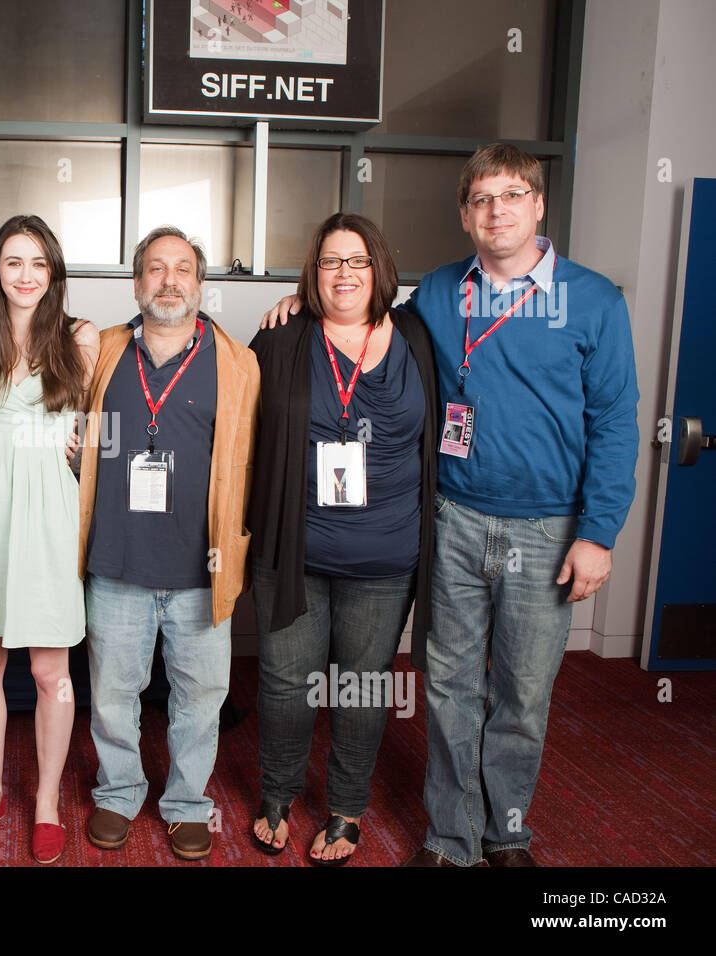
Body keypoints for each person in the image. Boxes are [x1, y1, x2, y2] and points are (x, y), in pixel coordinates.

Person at [262, 144, 640, 866]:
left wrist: (598, 532)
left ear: (538, 204)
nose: (497, 209)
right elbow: (359, 308)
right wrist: (300, 298)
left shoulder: (593, 300)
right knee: (449, 690)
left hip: (549, 527)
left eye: (513, 194)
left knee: (523, 697)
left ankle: (508, 832)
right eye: (482, 199)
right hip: (455, 520)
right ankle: (451, 837)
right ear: (465, 214)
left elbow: (617, 422)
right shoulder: (436, 295)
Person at [246, 213, 439, 864]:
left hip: (385, 560)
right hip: (292, 555)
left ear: (379, 267)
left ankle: (347, 809)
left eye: (357, 260)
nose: (345, 273)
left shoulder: (418, 334)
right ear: (312, 272)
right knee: (285, 685)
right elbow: (237, 431)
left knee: (361, 687)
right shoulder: (281, 336)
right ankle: (277, 794)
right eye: (330, 262)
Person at [77, 225, 260, 861]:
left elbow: (252, 461)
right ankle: (118, 792)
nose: (169, 280)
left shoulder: (237, 362)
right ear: (136, 283)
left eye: (183, 269)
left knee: (201, 696)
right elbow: (72, 439)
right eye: (156, 269)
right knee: (111, 693)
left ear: (201, 284)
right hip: (117, 559)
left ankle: (187, 803)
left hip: (201, 567)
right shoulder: (98, 352)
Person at [0, 215, 99, 864]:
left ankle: (47, 803)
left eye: (38, 263)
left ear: (53, 272)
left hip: (51, 513)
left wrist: (80, 441)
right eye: (13, 262)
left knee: (49, 670)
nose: (25, 274)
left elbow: (96, 429)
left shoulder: (80, 337)